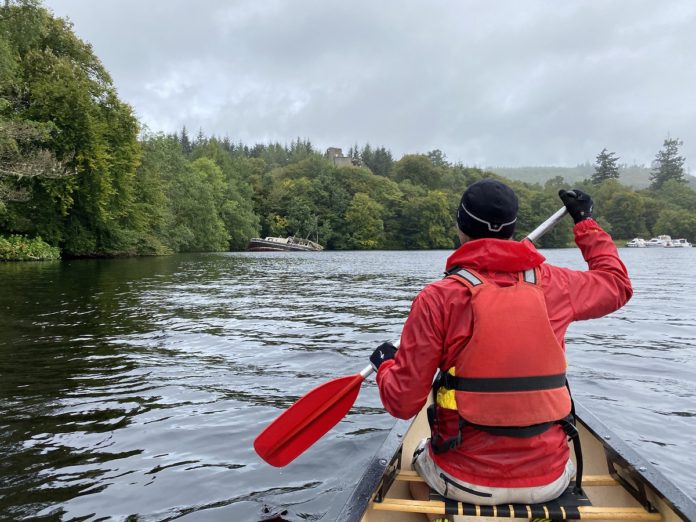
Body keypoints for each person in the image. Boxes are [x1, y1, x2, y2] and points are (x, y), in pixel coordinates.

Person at [369, 179, 633, 519]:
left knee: (418, 454)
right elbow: (617, 284)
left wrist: (386, 366)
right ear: (511, 229)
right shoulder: (556, 284)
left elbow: (404, 403)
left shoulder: (437, 298)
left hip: (464, 480)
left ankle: (442, 513)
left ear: (460, 226)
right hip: (550, 479)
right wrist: (585, 222)